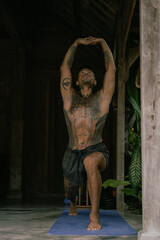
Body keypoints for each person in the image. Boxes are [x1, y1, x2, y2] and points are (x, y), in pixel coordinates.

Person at [60, 36, 116, 231]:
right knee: (69, 187)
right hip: (72, 151)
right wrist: (75, 43)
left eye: (89, 73)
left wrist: (102, 42)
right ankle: (73, 202)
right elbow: (64, 70)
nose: (85, 74)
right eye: (82, 72)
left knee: (90, 162)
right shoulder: (70, 99)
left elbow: (112, 70)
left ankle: (94, 214)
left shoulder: (102, 99)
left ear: (94, 80)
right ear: (76, 81)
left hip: (96, 148)